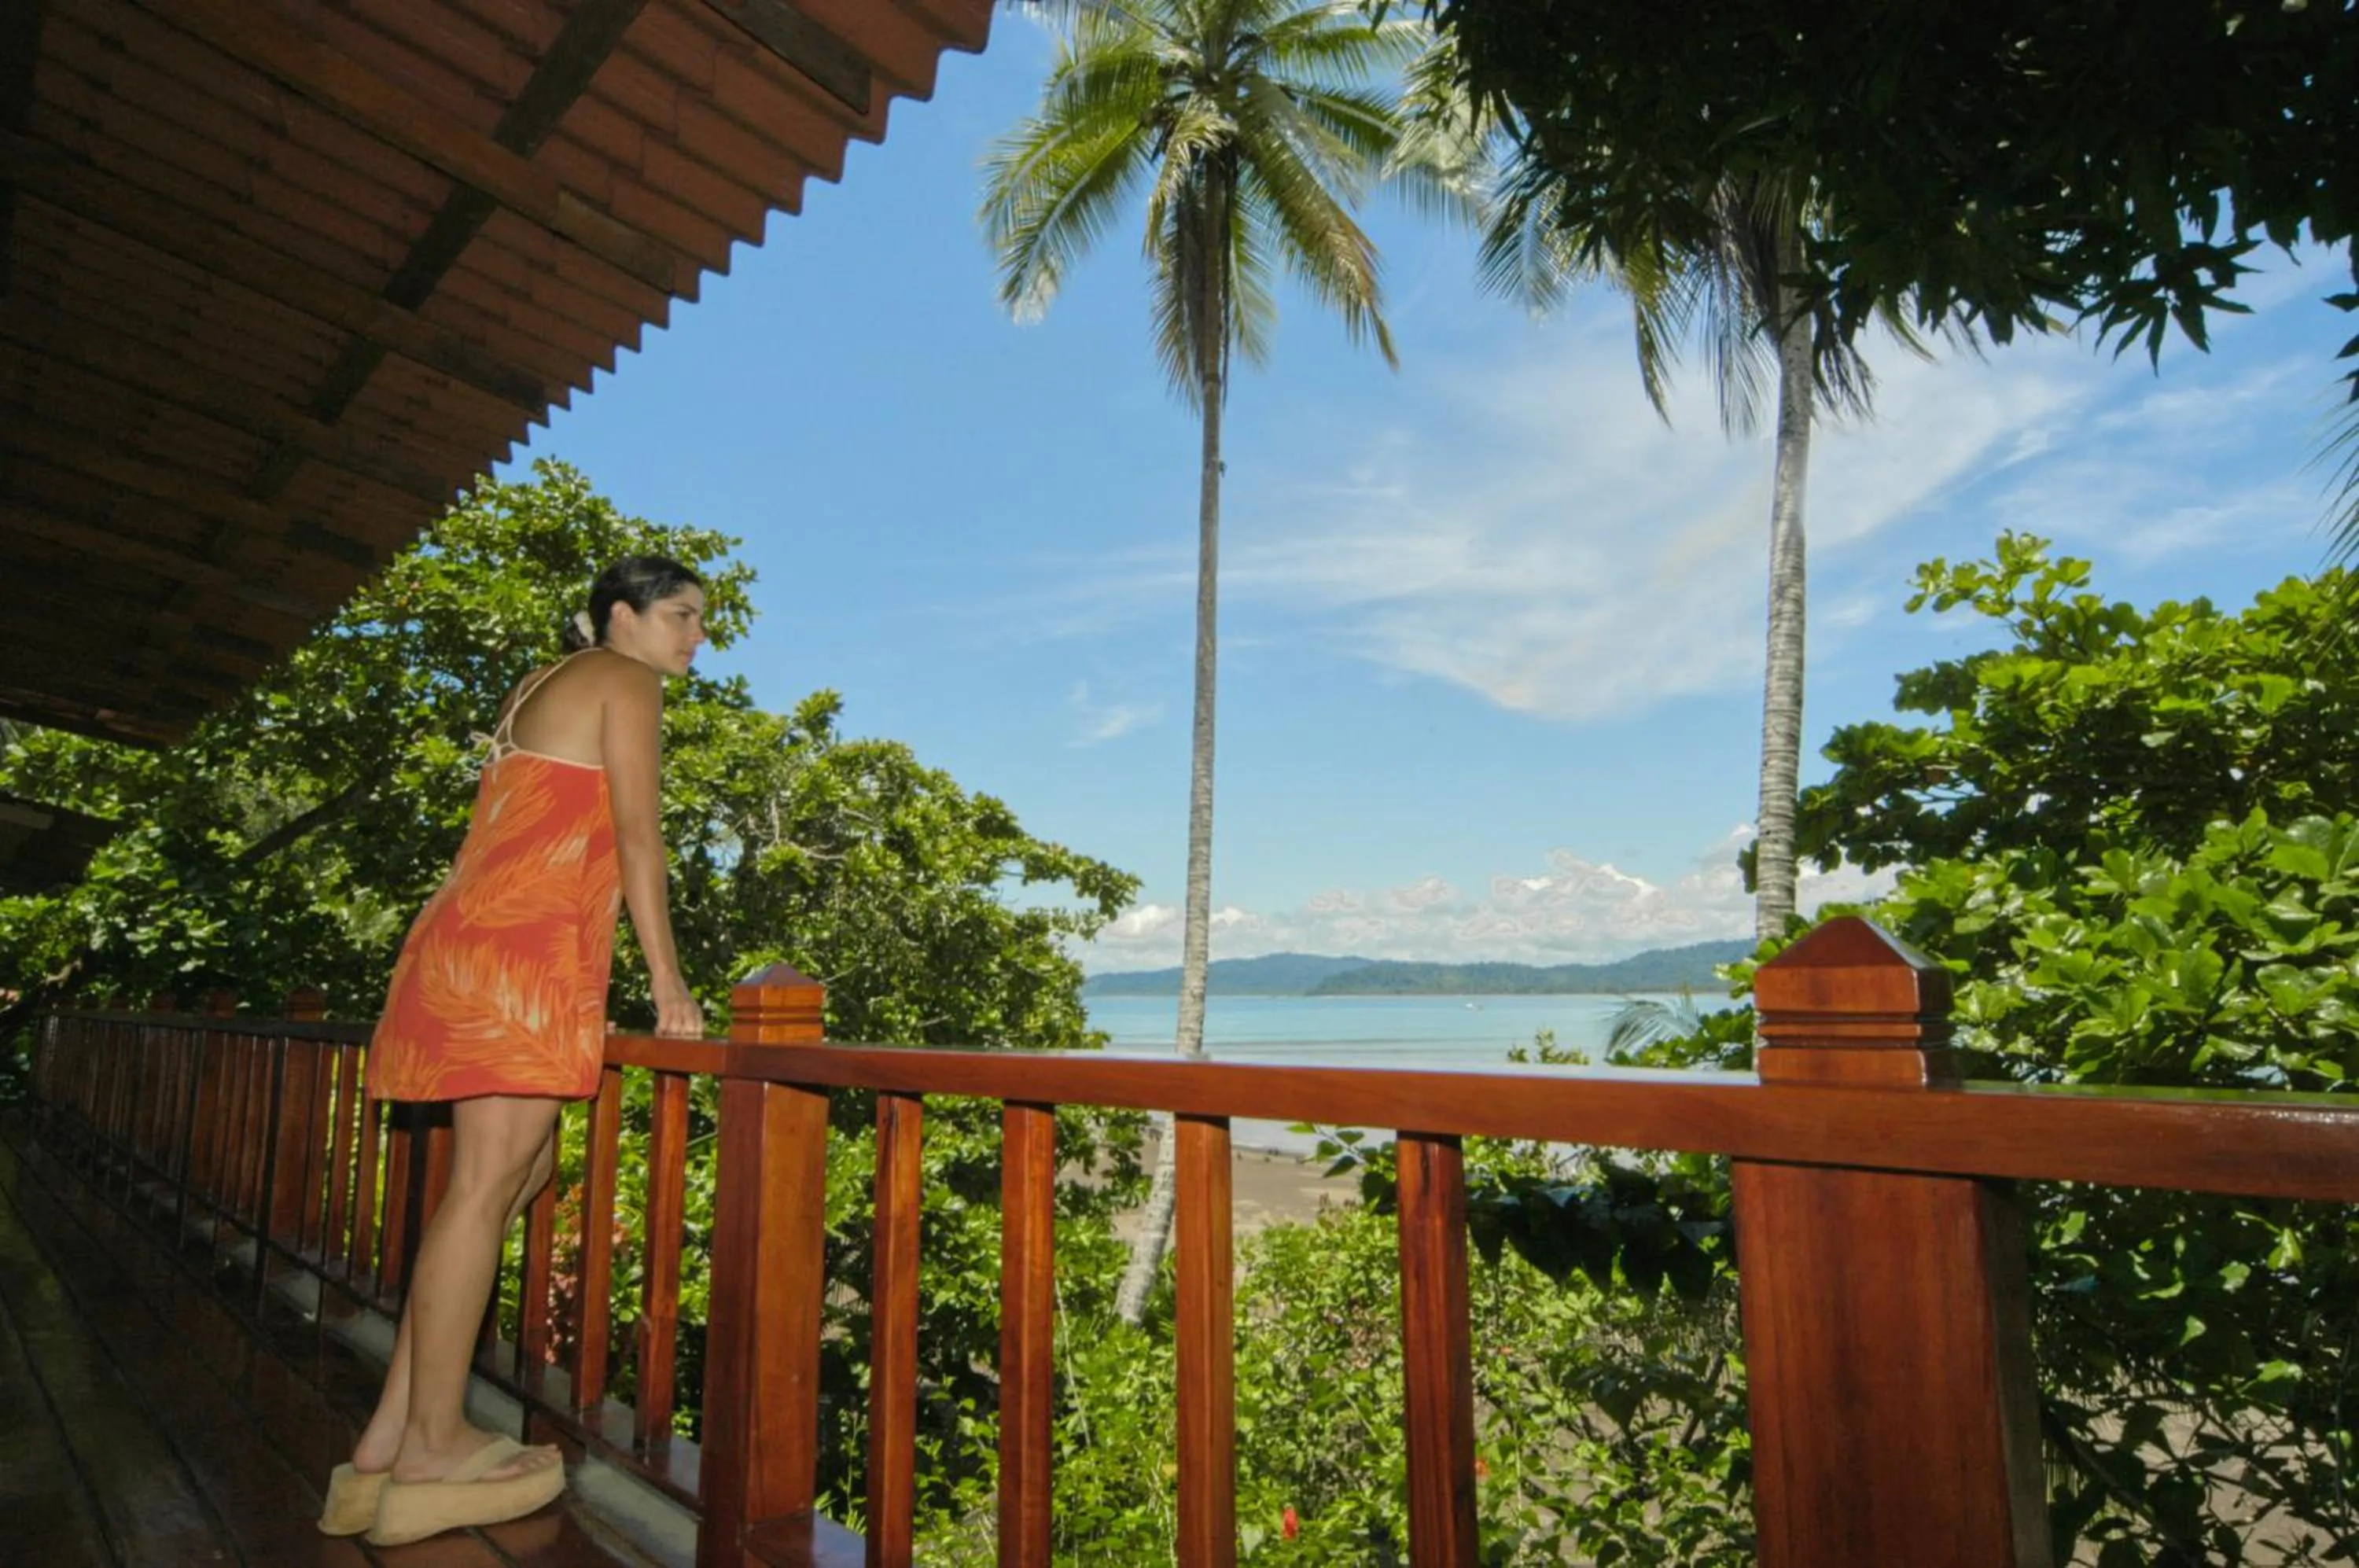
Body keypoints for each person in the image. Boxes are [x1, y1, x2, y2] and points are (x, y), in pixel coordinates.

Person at [318, 557, 709, 1546]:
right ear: (622, 616)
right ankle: (434, 1443)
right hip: (517, 959)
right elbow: (637, 835)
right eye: (680, 615)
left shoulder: (539, 682)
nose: (694, 635)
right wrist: (669, 983)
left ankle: (382, 1442)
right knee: (486, 1186)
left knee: (517, 1171)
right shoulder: (626, 679)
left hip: (465, 940)